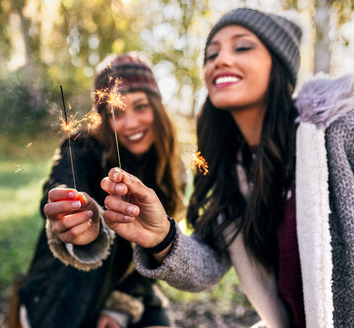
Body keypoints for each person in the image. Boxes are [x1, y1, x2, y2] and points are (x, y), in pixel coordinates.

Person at [51, 8, 354, 328]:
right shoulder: (228, 168)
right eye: (211, 54)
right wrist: (161, 238)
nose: (220, 60)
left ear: (278, 63)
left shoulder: (338, 130)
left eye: (242, 46)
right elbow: (210, 261)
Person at [12, 52, 187, 328]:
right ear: (104, 117)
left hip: (130, 287)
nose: (130, 123)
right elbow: (63, 183)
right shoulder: (80, 148)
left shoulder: (169, 171)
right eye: (117, 112)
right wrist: (81, 220)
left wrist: (120, 306)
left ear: (157, 107)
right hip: (65, 294)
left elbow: (156, 248)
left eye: (140, 106)